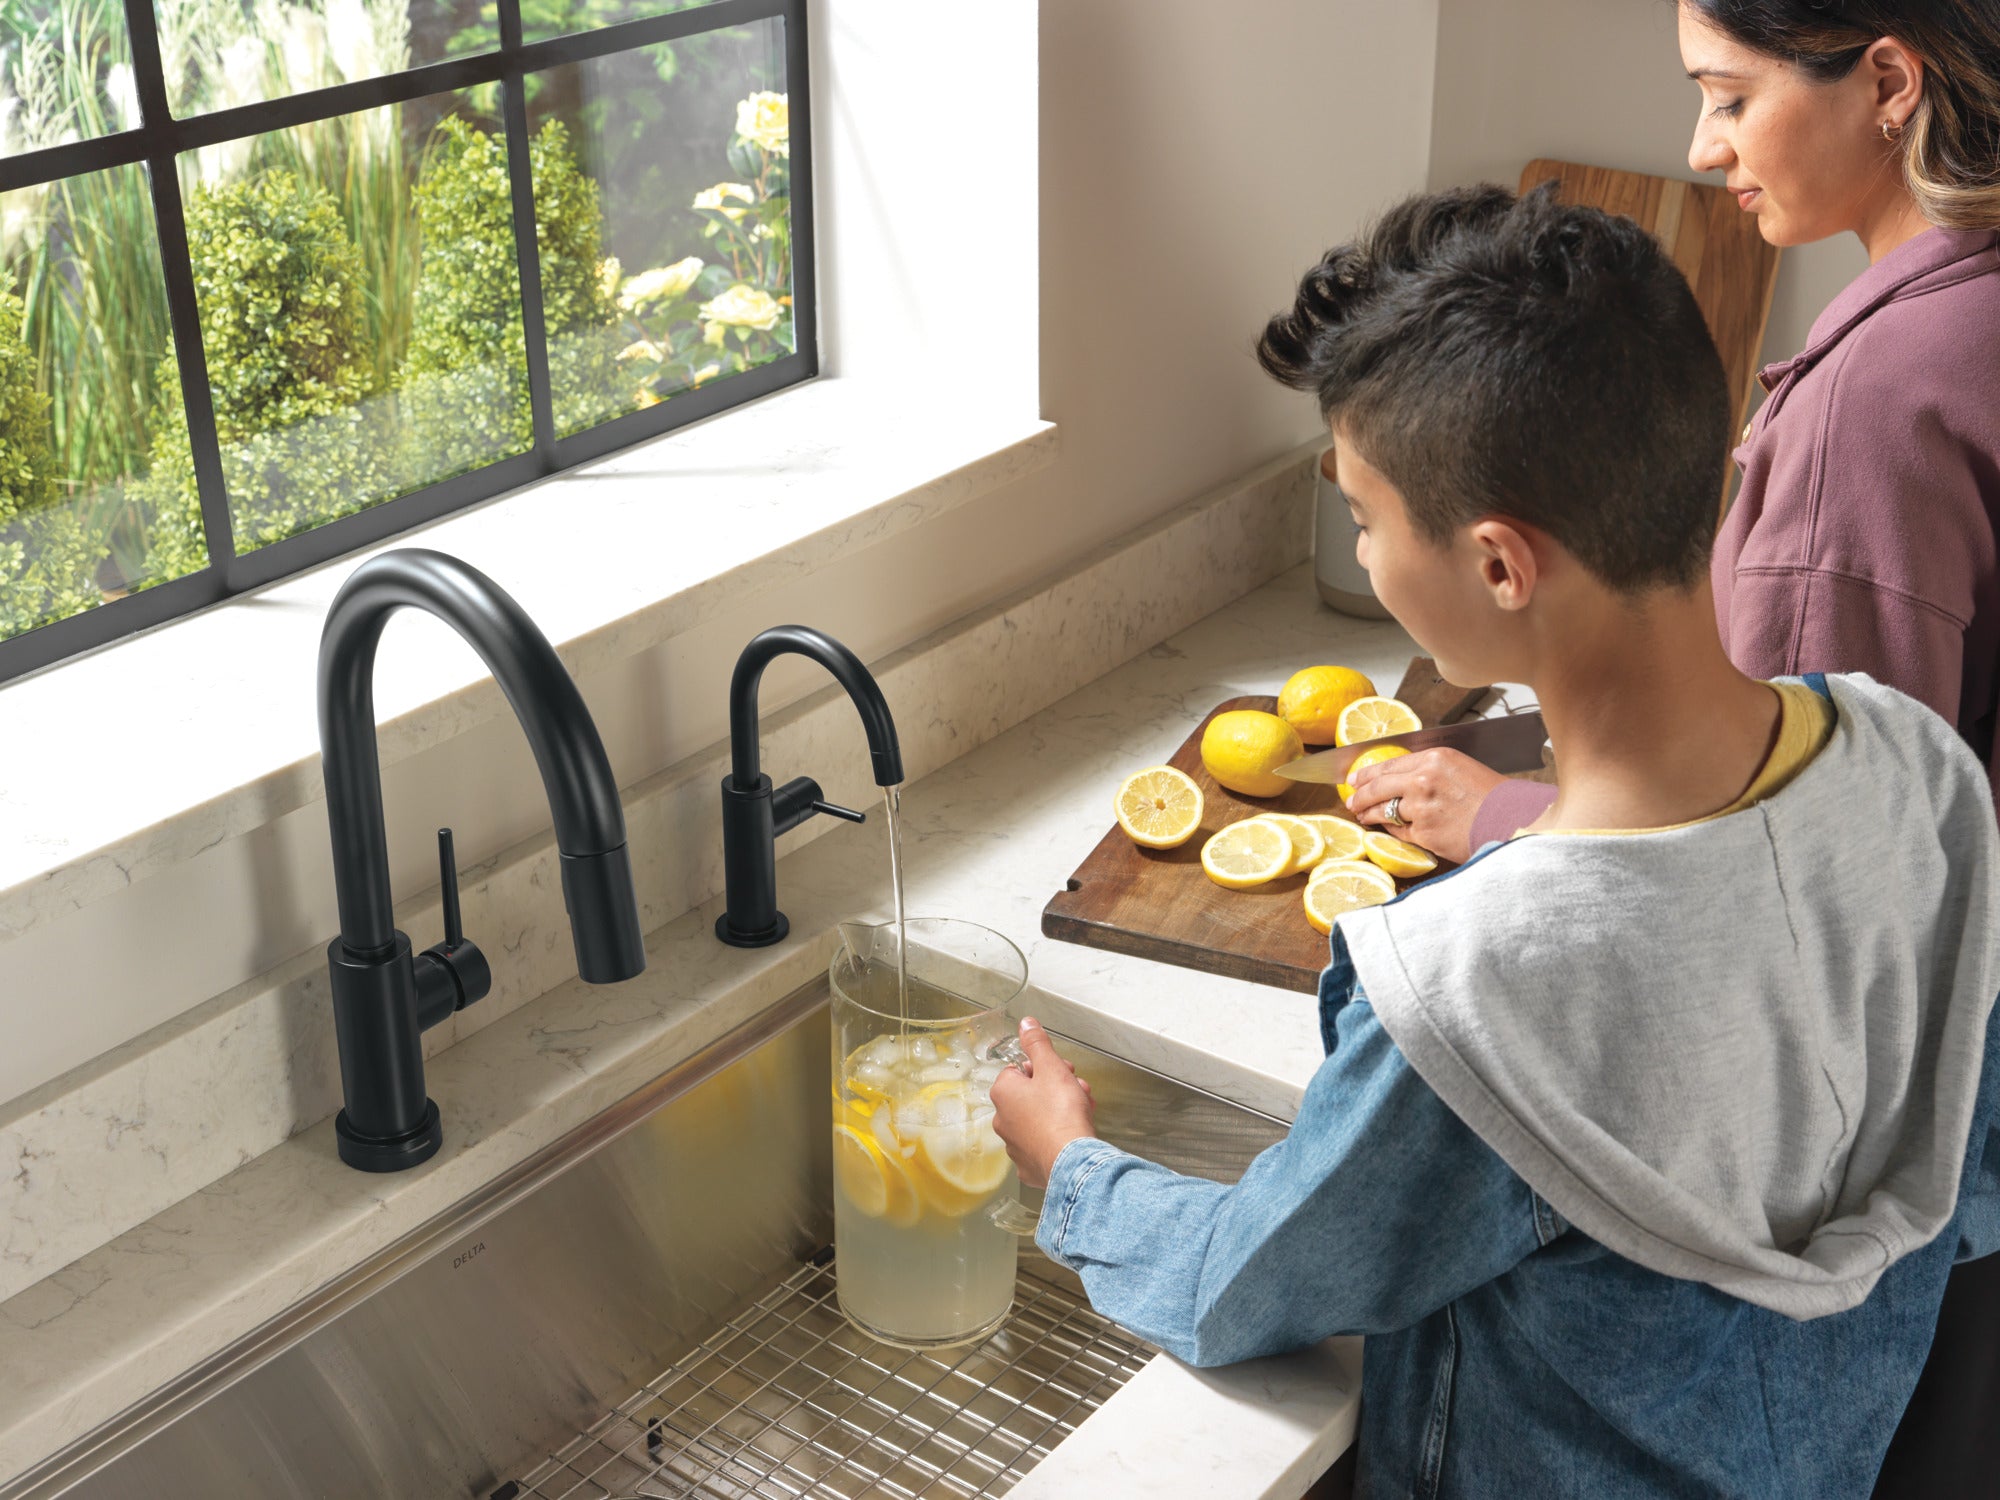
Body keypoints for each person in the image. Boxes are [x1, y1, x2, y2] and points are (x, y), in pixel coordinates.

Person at [989, 184, 2000, 1498]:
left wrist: (1074, 1172)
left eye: (1364, 517)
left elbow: (1252, 1280)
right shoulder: (1916, 768)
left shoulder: (1488, 991)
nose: (1362, 550)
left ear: (1501, 568)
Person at [1342, 7, 2000, 1488]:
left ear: (1889, 80)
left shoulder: (1876, 411)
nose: (1703, 148)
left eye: (1729, 95)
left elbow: (1804, 890)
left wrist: (1512, 823)